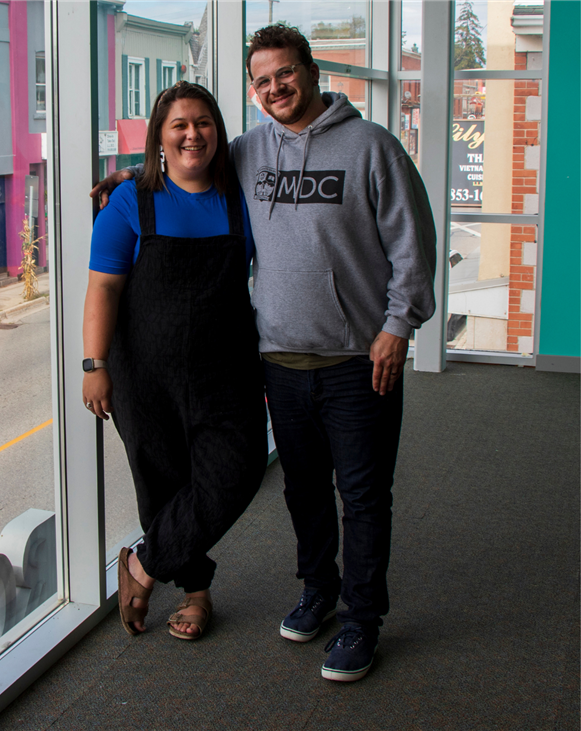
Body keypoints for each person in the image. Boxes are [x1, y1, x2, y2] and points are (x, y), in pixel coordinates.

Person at [92, 26, 436, 680]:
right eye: (261, 81)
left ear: (310, 72)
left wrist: (399, 325)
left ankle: (362, 620)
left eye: (285, 73)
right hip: (280, 359)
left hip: (359, 360)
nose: (275, 87)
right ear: (252, 91)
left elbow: (412, 245)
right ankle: (318, 590)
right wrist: (127, 179)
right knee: (304, 491)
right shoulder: (249, 151)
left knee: (363, 497)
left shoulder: (372, 146)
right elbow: (185, 165)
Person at [83, 81, 267, 641]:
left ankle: (142, 565)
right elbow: (103, 288)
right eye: (179, 125)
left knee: (238, 471)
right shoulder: (129, 202)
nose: (192, 134)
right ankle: (195, 591)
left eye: (203, 122)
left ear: (219, 131)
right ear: (159, 138)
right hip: (145, 375)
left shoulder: (243, 199)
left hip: (227, 371)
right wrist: (94, 365)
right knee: (162, 483)